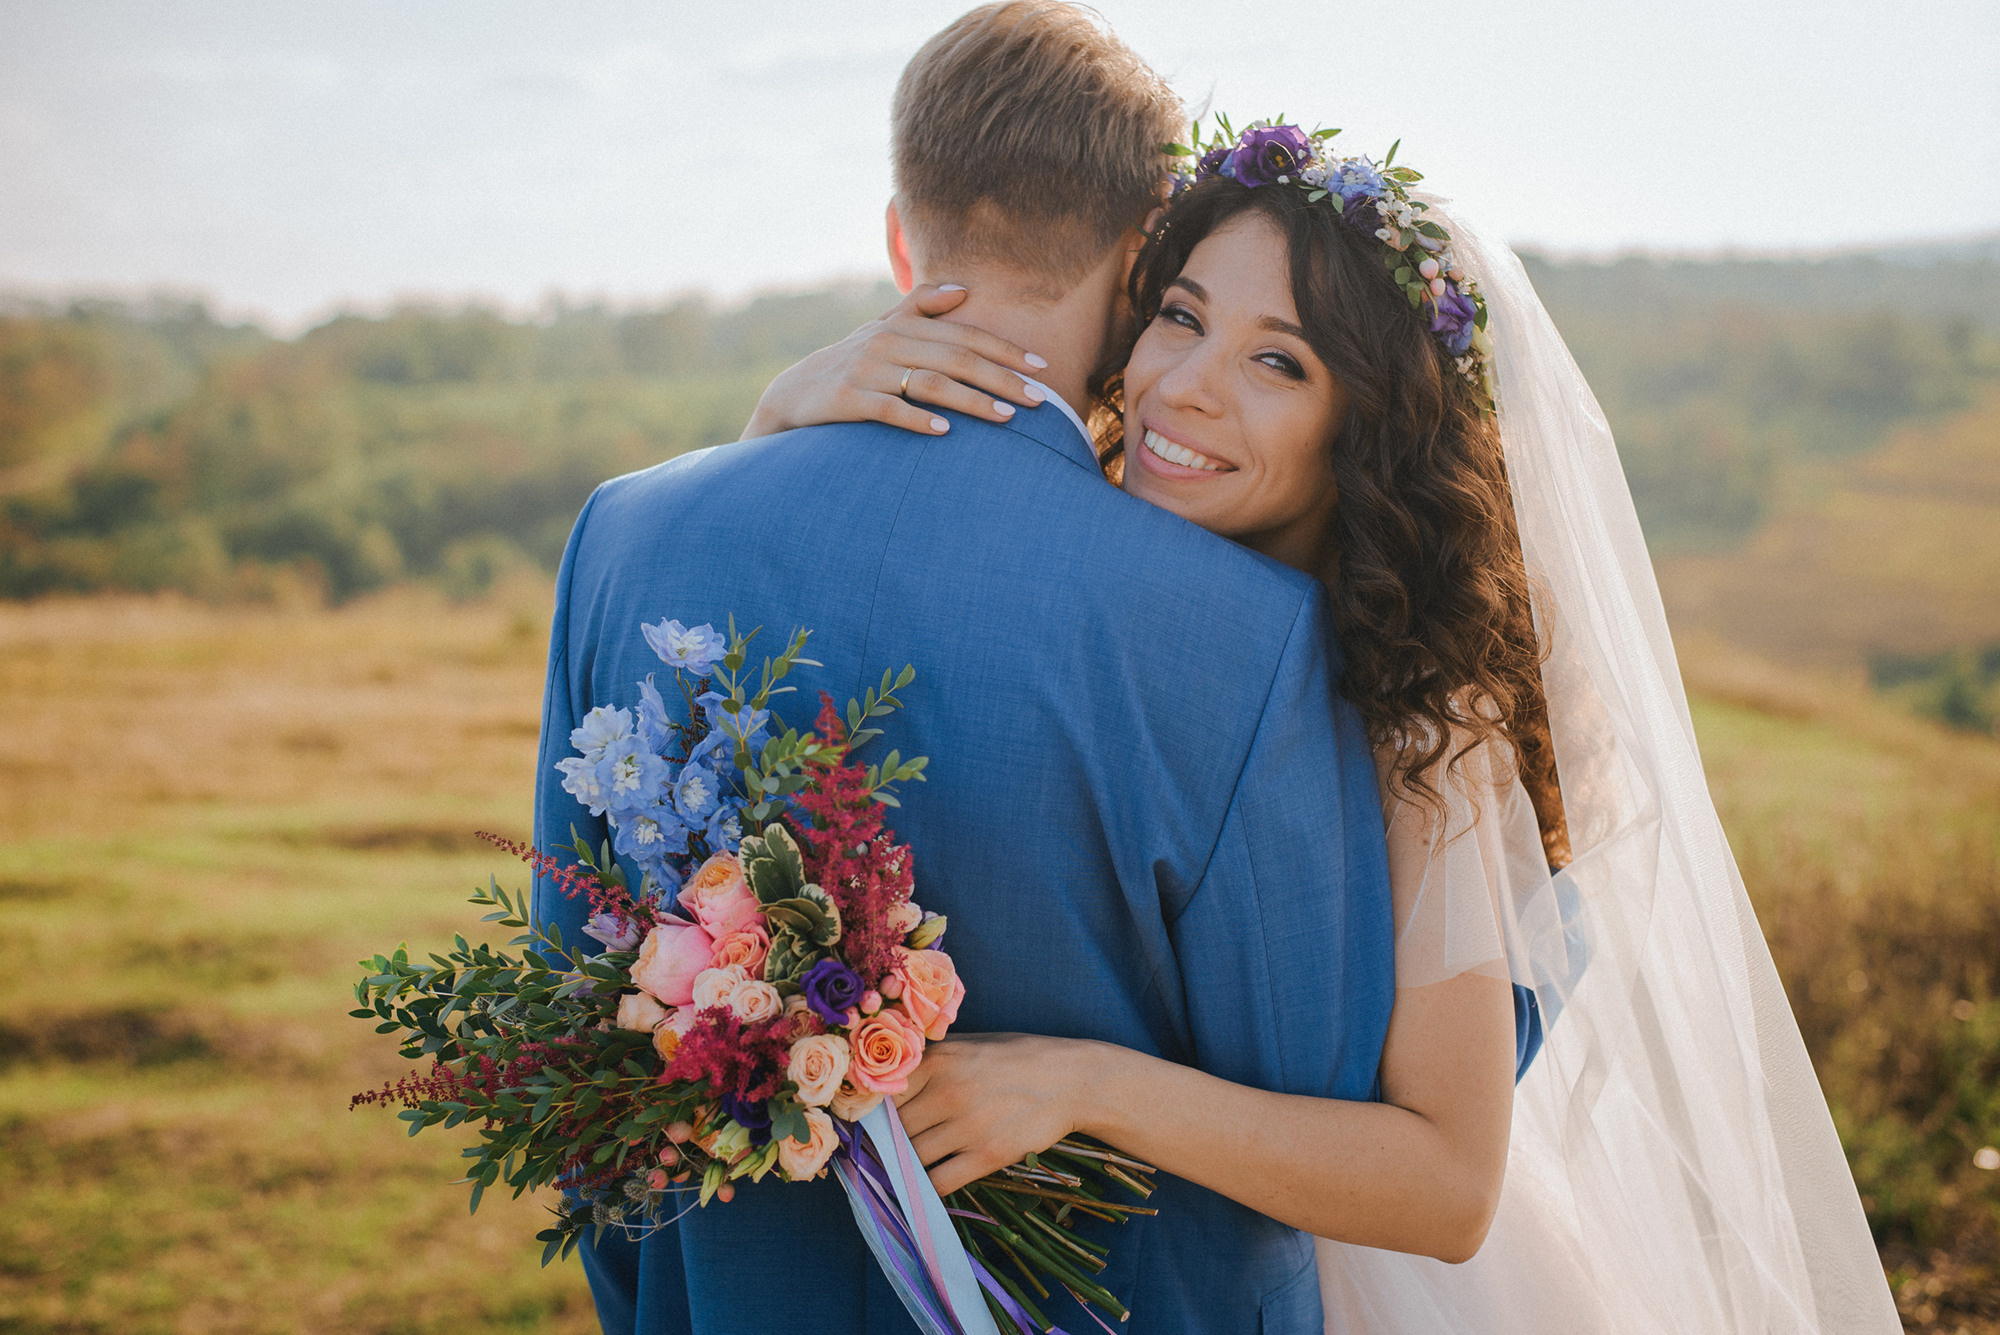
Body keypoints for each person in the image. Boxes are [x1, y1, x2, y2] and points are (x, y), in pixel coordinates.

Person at [740, 41, 1904, 1335]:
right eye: (1179, 315)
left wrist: (1084, 1084)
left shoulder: (1426, 719)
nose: (1183, 384)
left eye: (1277, 362)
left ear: (1368, 424)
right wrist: (782, 417)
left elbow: (1451, 1187)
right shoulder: (1118, 581)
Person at [533, 6, 1400, 1333]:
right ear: (1138, 260)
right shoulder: (1247, 626)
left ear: (901, 233)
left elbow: (577, 1041)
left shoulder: (626, 534)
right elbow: (1318, 1095)